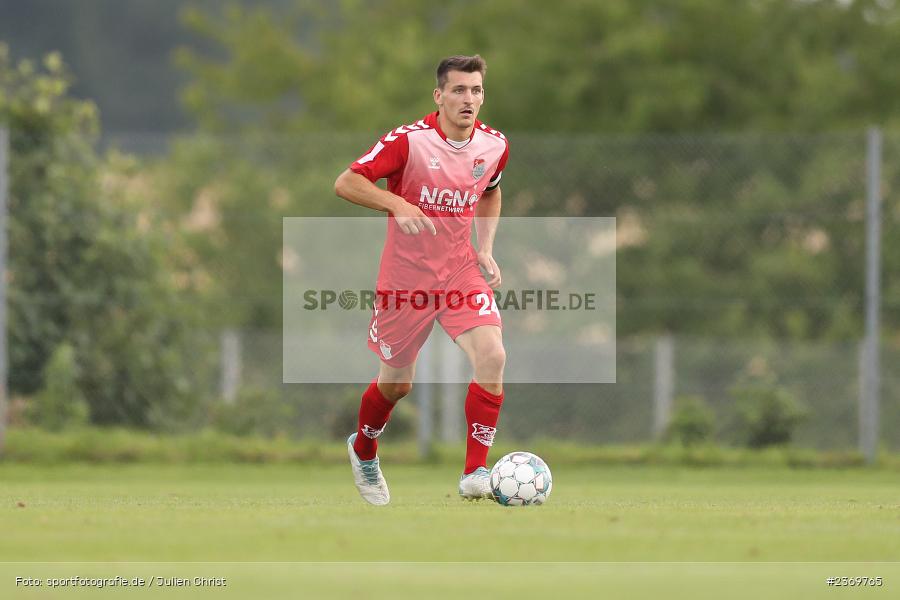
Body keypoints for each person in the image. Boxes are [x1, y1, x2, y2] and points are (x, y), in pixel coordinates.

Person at [333, 54, 509, 505]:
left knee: (492, 355)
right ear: (439, 96)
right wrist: (397, 204)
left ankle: (475, 472)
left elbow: (490, 190)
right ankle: (365, 449)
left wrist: (485, 247)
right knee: (397, 385)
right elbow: (347, 182)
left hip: (458, 272)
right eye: (458, 91)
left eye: (476, 91)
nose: (468, 99)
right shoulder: (409, 141)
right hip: (405, 281)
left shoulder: (494, 145)